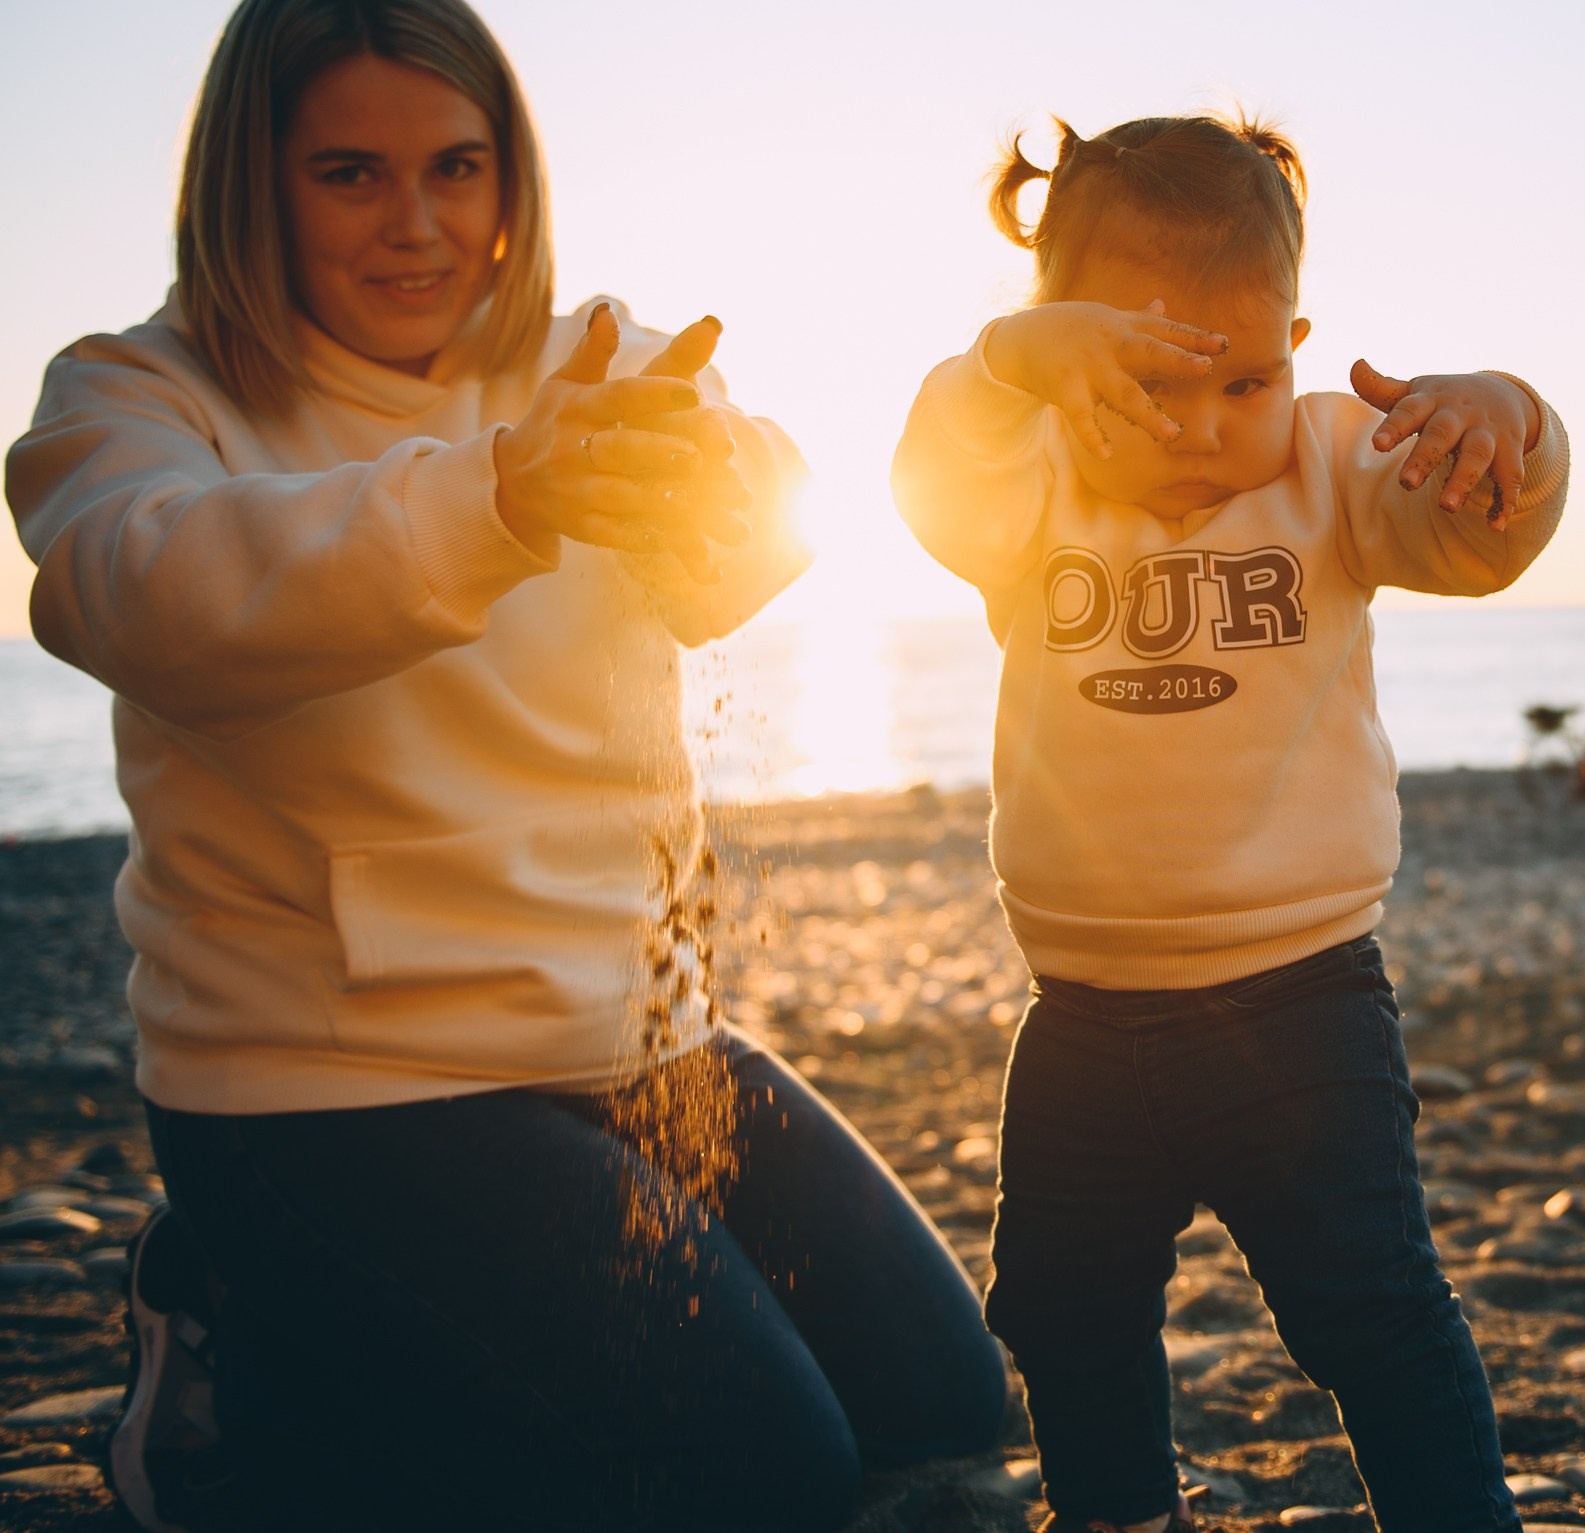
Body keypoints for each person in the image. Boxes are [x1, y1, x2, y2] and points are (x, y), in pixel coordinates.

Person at [5, 2, 1005, 1529]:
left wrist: (716, 490)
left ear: (507, 177)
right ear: (250, 185)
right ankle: (241, 1379)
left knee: (940, 1398)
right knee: (761, 1477)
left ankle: (315, 1309)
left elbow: (748, 532)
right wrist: (499, 498)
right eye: (351, 173)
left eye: (456, 168)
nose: (418, 226)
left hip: (636, 1045)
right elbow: (140, 589)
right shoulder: (140, 394)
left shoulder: (602, 362)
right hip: (332, 1084)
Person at [891, 113, 1571, 1533]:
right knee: (1063, 1306)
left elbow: (1479, 535)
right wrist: (1008, 365)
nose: (1207, 425)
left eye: (1248, 376)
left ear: (1300, 348)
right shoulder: (1034, 488)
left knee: (1371, 1309)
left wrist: (1509, 419)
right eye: (1150, 381)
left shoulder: (1329, 467)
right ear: (1068, 365)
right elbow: (934, 477)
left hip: (1301, 1005)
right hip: (1078, 1015)